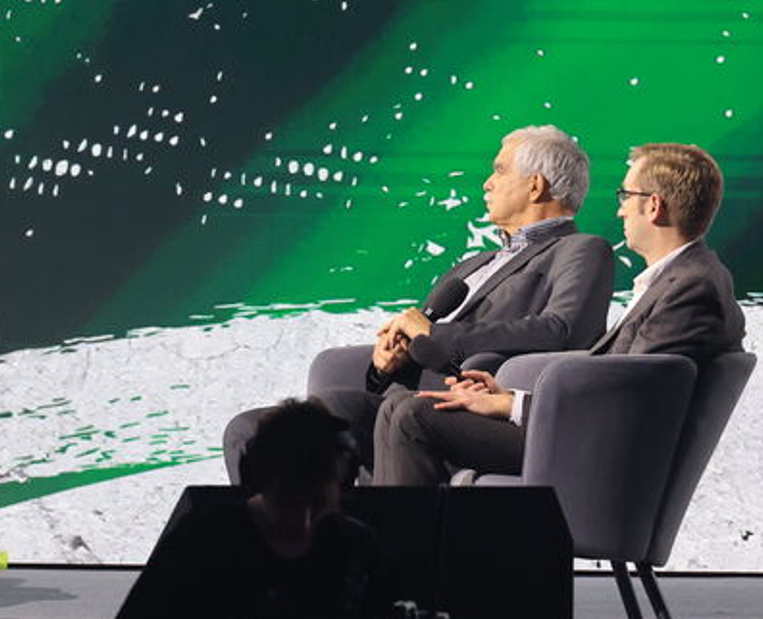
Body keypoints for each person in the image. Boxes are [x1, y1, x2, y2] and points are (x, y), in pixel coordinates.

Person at [223, 125, 615, 479]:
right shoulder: (473, 263)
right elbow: (421, 334)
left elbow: (562, 330)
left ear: (534, 186)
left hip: (466, 406)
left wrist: (435, 334)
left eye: (498, 171)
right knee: (249, 431)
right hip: (400, 400)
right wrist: (386, 363)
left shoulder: (580, 249)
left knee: (334, 410)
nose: (486, 184)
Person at [372, 142, 745, 486]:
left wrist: (511, 405)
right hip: (579, 431)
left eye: (625, 196)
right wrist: (509, 394)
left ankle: (404, 540)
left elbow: (629, 400)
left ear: (653, 206)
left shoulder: (691, 288)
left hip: (590, 449)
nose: (620, 209)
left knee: (413, 417)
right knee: (401, 409)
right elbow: (618, 380)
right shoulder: (681, 280)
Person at [118, 399, 396, 619]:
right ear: (261, 476)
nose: (303, 515)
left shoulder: (358, 547)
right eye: (292, 491)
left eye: (316, 490)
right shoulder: (203, 540)